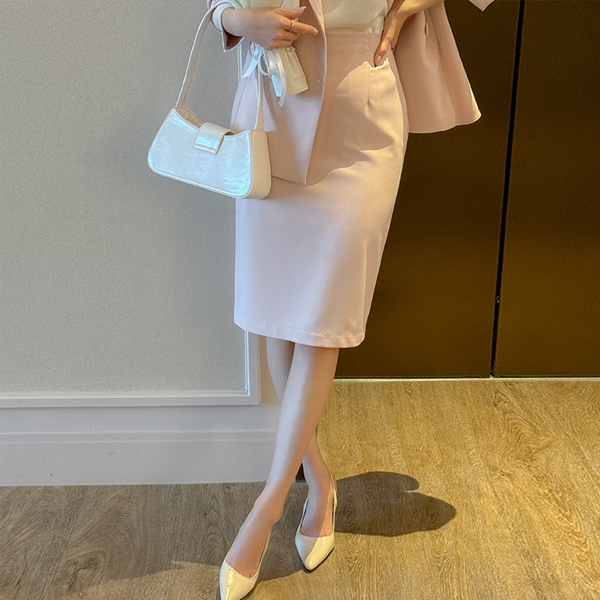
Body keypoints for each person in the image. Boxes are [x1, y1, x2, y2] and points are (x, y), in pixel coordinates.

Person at [204, 0, 494, 598]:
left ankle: (267, 507)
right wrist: (235, 20)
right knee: (279, 320)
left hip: (363, 119)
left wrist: (412, 5)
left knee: (323, 320)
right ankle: (319, 482)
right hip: (272, 112)